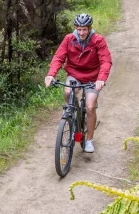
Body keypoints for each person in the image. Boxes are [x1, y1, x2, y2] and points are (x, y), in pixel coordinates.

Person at [44, 13, 112, 153]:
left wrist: (101, 79)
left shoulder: (98, 40)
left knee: (90, 106)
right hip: (74, 74)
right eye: (79, 29)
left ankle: (89, 140)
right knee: (68, 91)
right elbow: (58, 57)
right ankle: (72, 114)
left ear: (89, 28)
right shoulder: (69, 39)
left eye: (84, 29)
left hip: (92, 78)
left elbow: (106, 61)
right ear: (75, 28)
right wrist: (51, 75)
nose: (81, 33)